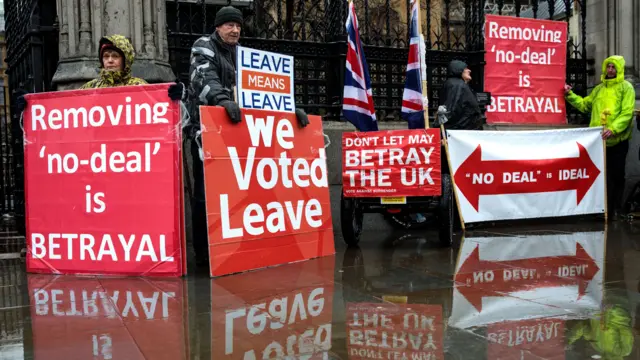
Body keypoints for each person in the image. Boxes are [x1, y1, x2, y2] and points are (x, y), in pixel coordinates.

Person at [184, 6, 310, 267]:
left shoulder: (244, 55)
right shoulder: (203, 46)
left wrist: (289, 108)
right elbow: (203, 77)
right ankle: (205, 254)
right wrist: (222, 100)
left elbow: (264, 89)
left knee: (242, 193)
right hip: (208, 134)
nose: (235, 30)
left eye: (238, 25)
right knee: (206, 195)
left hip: (241, 135)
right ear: (218, 27)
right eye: (229, 25)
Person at [564, 55, 636, 218]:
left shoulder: (626, 88)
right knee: (600, 177)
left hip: (617, 142)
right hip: (599, 142)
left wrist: (613, 129)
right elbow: (584, 105)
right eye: (608, 67)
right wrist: (570, 95)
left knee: (616, 175)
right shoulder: (599, 89)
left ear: (619, 69)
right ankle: (601, 209)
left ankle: (615, 209)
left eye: (613, 67)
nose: (610, 70)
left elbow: (626, 113)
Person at [15, 35, 158, 111]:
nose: (109, 60)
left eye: (115, 56)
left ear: (125, 60)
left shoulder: (139, 86)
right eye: (106, 56)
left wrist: (172, 97)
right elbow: (63, 111)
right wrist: (31, 107)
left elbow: (159, 110)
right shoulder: (90, 88)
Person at [438, 60, 484, 131]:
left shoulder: (457, 84)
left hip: (463, 129)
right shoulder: (457, 85)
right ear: (458, 70)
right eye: (465, 69)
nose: (469, 70)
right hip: (462, 130)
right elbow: (452, 108)